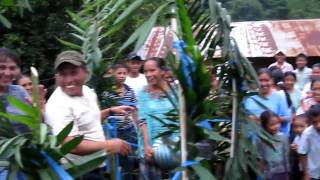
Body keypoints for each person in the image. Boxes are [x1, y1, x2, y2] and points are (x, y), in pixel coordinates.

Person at [45, 51, 132, 179]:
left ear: (86, 72)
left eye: (73, 72)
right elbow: (70, 144)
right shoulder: (58, 104)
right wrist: (109, 145)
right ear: (57, 77)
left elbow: (88, 120)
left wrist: (109, 111)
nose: (68, 79)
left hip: (97, 165)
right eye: (63, 74)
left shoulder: (87, 91)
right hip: (79, 171)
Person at [137, 57, 178, 180]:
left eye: (152, 70)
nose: (148, 74)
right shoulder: (143, 93)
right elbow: (142, 120)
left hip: (174, 147)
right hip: (150, 149)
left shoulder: (176, 92)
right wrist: (147, 146)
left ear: (162, 71)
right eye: (145, 71)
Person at [0, 48, 30, 180]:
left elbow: (35, 125)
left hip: (24, 158)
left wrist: (39, 110)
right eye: (1, 67)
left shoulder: (20, 92)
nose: (7, 73)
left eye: (12, 68)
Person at [108, 63, 138, 180]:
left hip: (128, 130)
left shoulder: (130, 91)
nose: (122, 76)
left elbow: (134, 111)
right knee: (114, 161)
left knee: (129, 159)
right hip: (113, 131)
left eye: (124, 73)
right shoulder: (108, 91)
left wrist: (137, 128)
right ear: (113, 74)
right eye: (119, 73)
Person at [244, 68, 291, 136]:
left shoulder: (278, 97)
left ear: (272, 81)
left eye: (266, 80)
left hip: (271, 139)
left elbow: (287, 118)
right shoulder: (250, 98)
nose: (263, 84)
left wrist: (267, 120)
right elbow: (243, 117)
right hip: (252, 138)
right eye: (260, 80)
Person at [257, 111, 290, 180]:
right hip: (269, 172)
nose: (276, 126)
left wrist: (288, 172)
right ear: (264, 126)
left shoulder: (283, 137)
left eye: (278, 123)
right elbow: (261, 158)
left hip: (282, 171)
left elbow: (286, 155)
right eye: (272, 125)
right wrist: (260, 174)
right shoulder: (261, 139)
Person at [298, 104, 320, 180]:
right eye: (315, 122)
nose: (318, 125)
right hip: (314, 172)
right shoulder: (308, 133)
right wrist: (306, 173)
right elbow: (303, 153)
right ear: (310, 122)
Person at [290, 114, 309, 180]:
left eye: (302, 126)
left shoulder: (309, 138)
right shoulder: (297, 137)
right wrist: (292, 149)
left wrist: (299, 149)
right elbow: (293, 153)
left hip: (309, 168)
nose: (298, 129)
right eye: (295, 127)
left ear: (308, 126)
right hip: (300, 166)